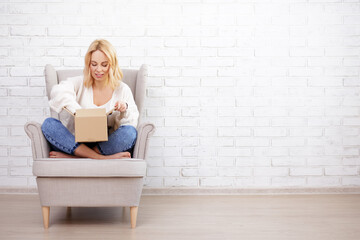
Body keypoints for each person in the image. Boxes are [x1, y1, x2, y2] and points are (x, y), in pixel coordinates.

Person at [41, 39, 139, 159]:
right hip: (76, 141)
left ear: (112, 65)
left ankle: (79, 156)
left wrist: (124, 109)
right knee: (49, 124)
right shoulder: (79, 82)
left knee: (129, 133)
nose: (98, 70)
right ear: (88, 64)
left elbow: (132, 122)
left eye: (104, 65)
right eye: (94, 64)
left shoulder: (122, 89)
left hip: (105, 144)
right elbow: (58, 92)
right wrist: (79, 112)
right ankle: (101, 158)